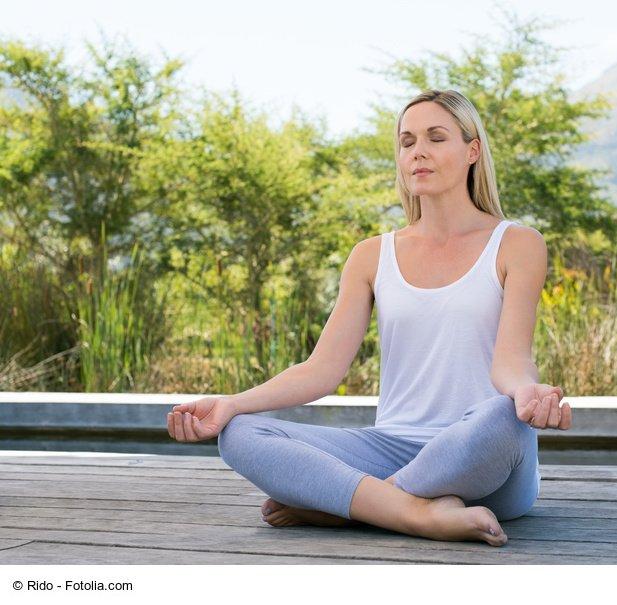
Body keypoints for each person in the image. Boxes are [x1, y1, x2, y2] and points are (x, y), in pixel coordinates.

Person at [165, 89, 572, 547]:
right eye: (407, 141)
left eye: (436, 138)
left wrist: (527, 394)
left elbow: (510, 363)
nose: (417, 151)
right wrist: (231, 403)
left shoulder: (517, 243)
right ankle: (417, 514)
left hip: (483, 457)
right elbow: (322, 370)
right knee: (240, 434)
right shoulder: (371, 255)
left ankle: (356, 507)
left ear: (472, 150)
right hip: (389, 448)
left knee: (503, 416)